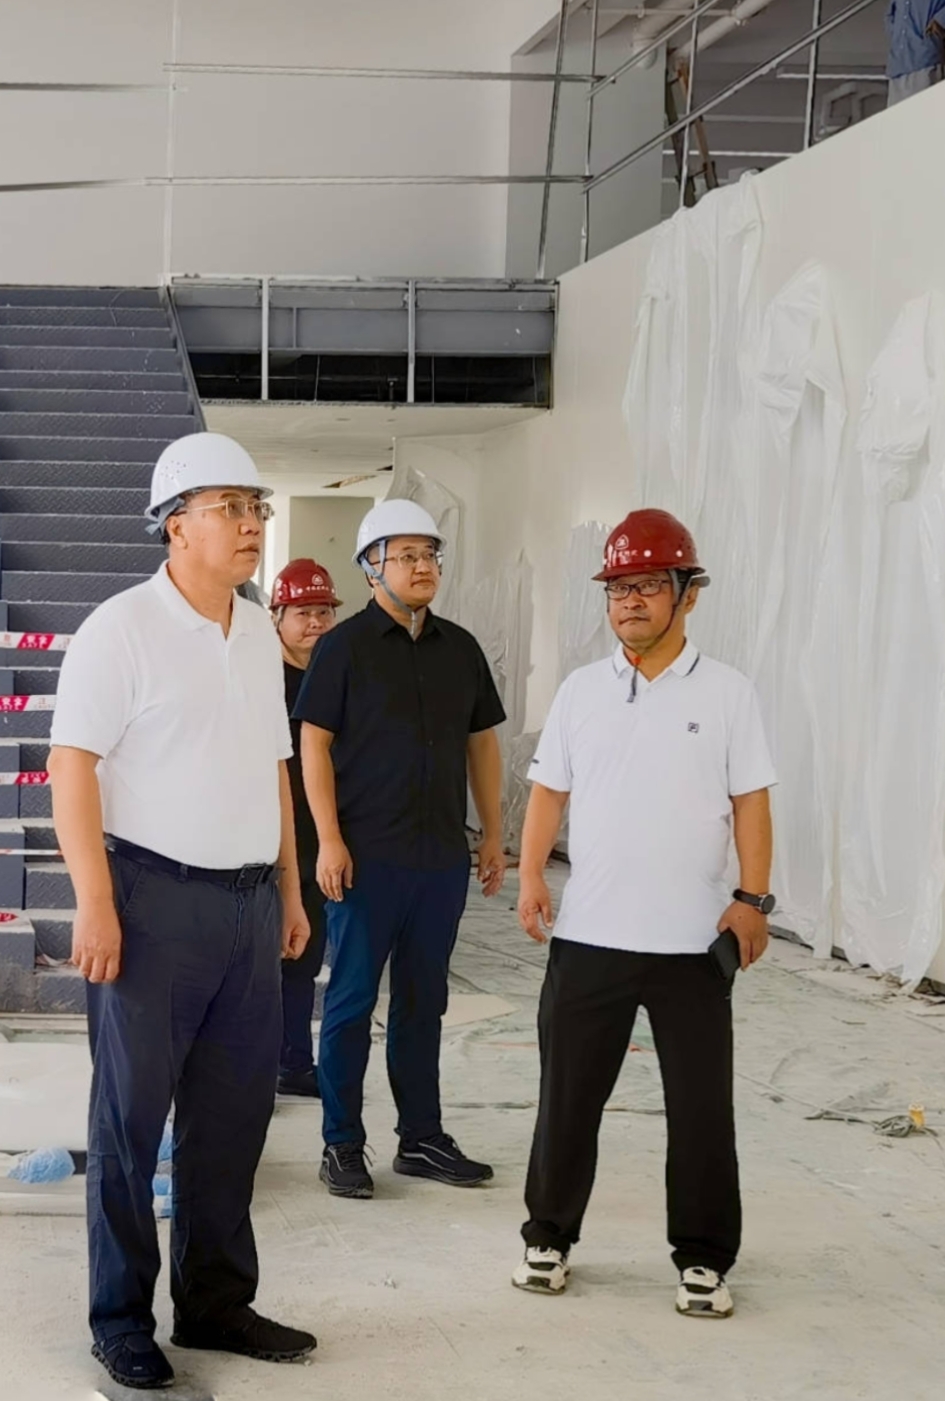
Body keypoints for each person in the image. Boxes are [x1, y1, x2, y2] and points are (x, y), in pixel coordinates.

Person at [51, 431, 318, 1391]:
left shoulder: (255, 632)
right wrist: (93, 901)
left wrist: (289, 889)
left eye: (256, 507)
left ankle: (214, 1300)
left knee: (233, 1118)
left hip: (248, 907)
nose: (251, 525)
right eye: (229, 508)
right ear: (174, 526)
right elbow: (70, 769)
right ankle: (120, 1317)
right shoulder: (120, 629)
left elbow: (275, 767)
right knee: (129, 1124)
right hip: (149, 902)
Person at [510, 508, 776, 1321]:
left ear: (686, 593)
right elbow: (548, 791)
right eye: (617, 587)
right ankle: (548, 1236)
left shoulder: (727, 692)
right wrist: (530, 875)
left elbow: (751, 802)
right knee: (566, 1101)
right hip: (588, 937)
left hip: (691, 943)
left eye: (648, 585)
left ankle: (702, 1257)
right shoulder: (580, 691)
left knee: (700, 1111)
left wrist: (752, 899)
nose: (629, 601)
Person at [294, 499, 508, 1197]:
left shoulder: (461, 649)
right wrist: (329, 839)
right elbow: (313, 744)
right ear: (371, 567)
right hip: (366, 859)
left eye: (429, 554)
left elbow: (481, 743)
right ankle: (341, 1144)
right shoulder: (343, 647)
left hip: (439, 859)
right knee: (352, 1002)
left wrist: (493, 832)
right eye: (406, 555)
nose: (422, 567)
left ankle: (420, 1138)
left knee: (424, 1002)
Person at [269, 558, 345, 1100]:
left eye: (323, 612)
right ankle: (256, 1068)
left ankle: (294, 1061)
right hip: (267, 840)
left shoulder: (341, 674)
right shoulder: (260, 677)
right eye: (303, 613)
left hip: (320, 839)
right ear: (277, 617)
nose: (315, 622)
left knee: (304, 958)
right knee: (265, 963)